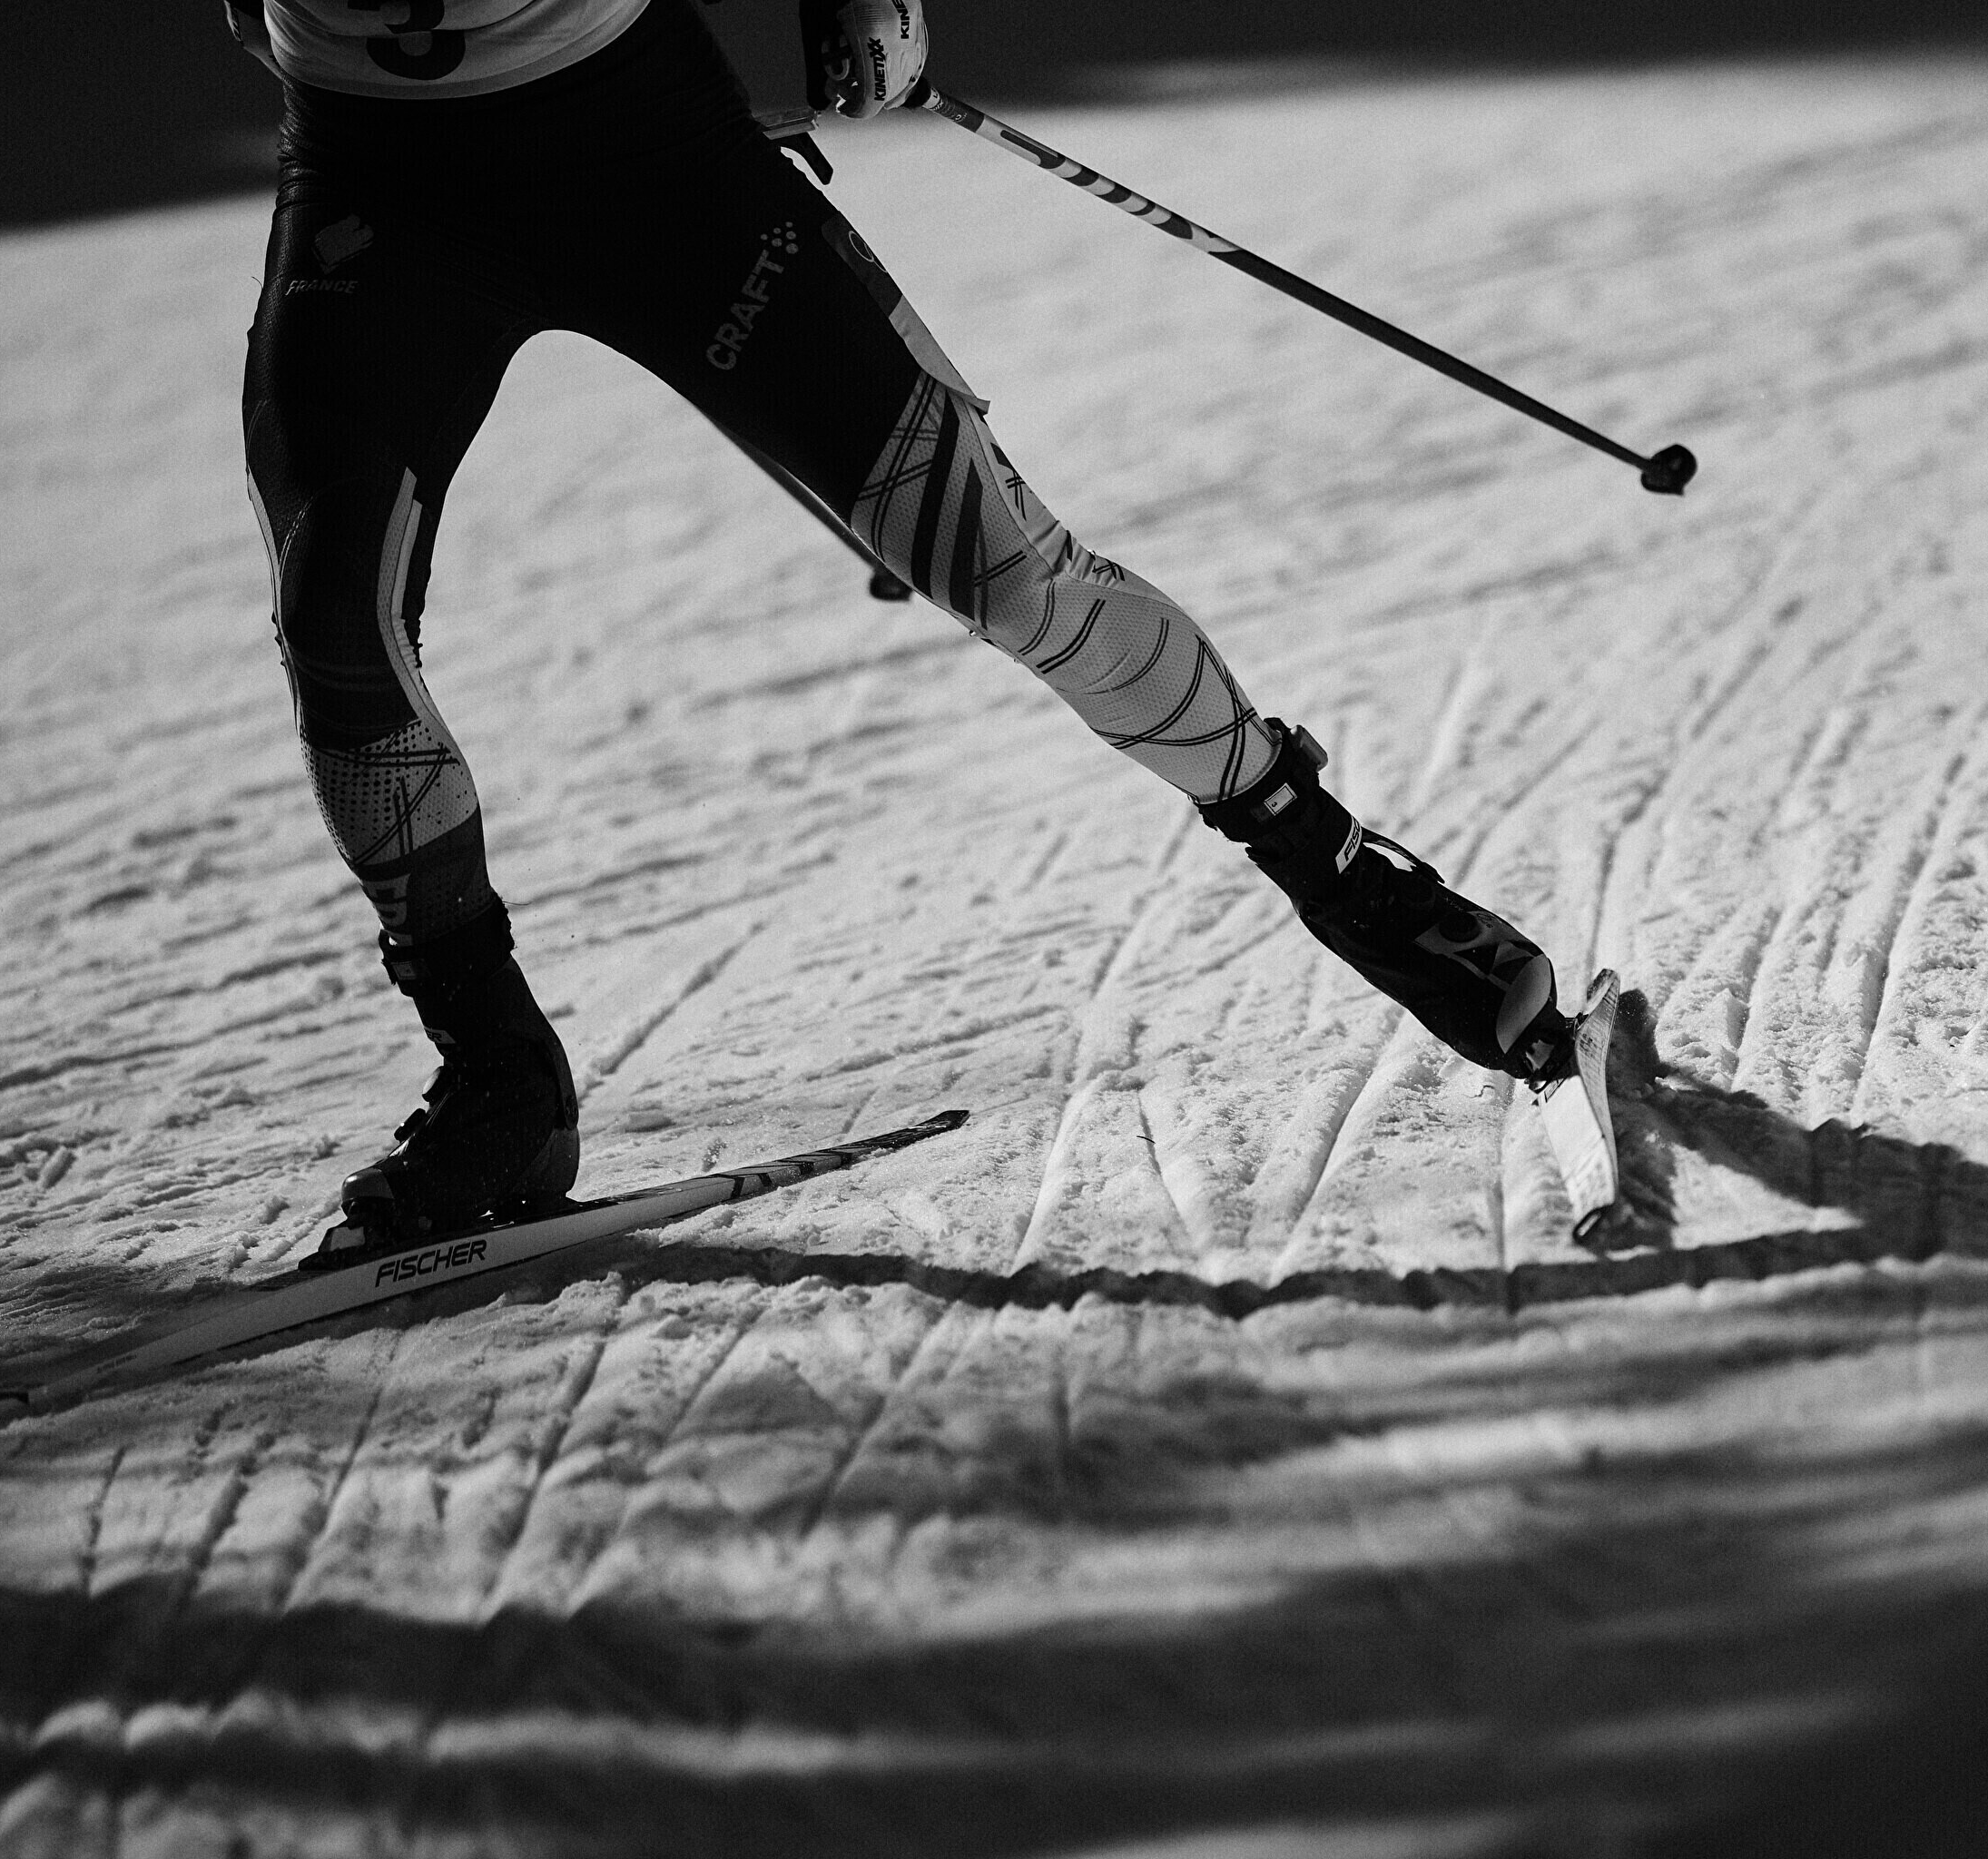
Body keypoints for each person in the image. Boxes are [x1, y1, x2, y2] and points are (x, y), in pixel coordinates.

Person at [223, 0, 1576, 1261]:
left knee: (1007, 572)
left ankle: (1348, 877)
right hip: (374, 170)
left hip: (633, 137)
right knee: (335, 630)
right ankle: (496, 1072)